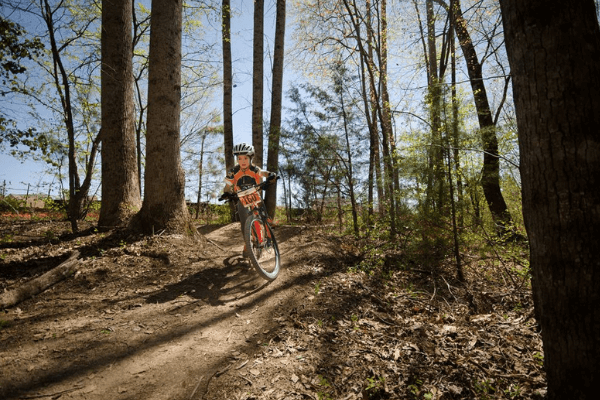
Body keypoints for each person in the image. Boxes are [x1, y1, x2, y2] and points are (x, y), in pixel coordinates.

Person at [219, 143, 275, 258]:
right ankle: (248, 244)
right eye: (239, 158)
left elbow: (262, 173)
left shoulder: (254, 169)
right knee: (244, 222)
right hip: (241, 197)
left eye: (245, 158)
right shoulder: (234, 171)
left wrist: (270, 174)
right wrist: (226, 193)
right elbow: (228, 185)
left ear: (250, 158)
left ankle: (267, 227)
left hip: (255, 195)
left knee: (261, 215)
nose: (242, 161)